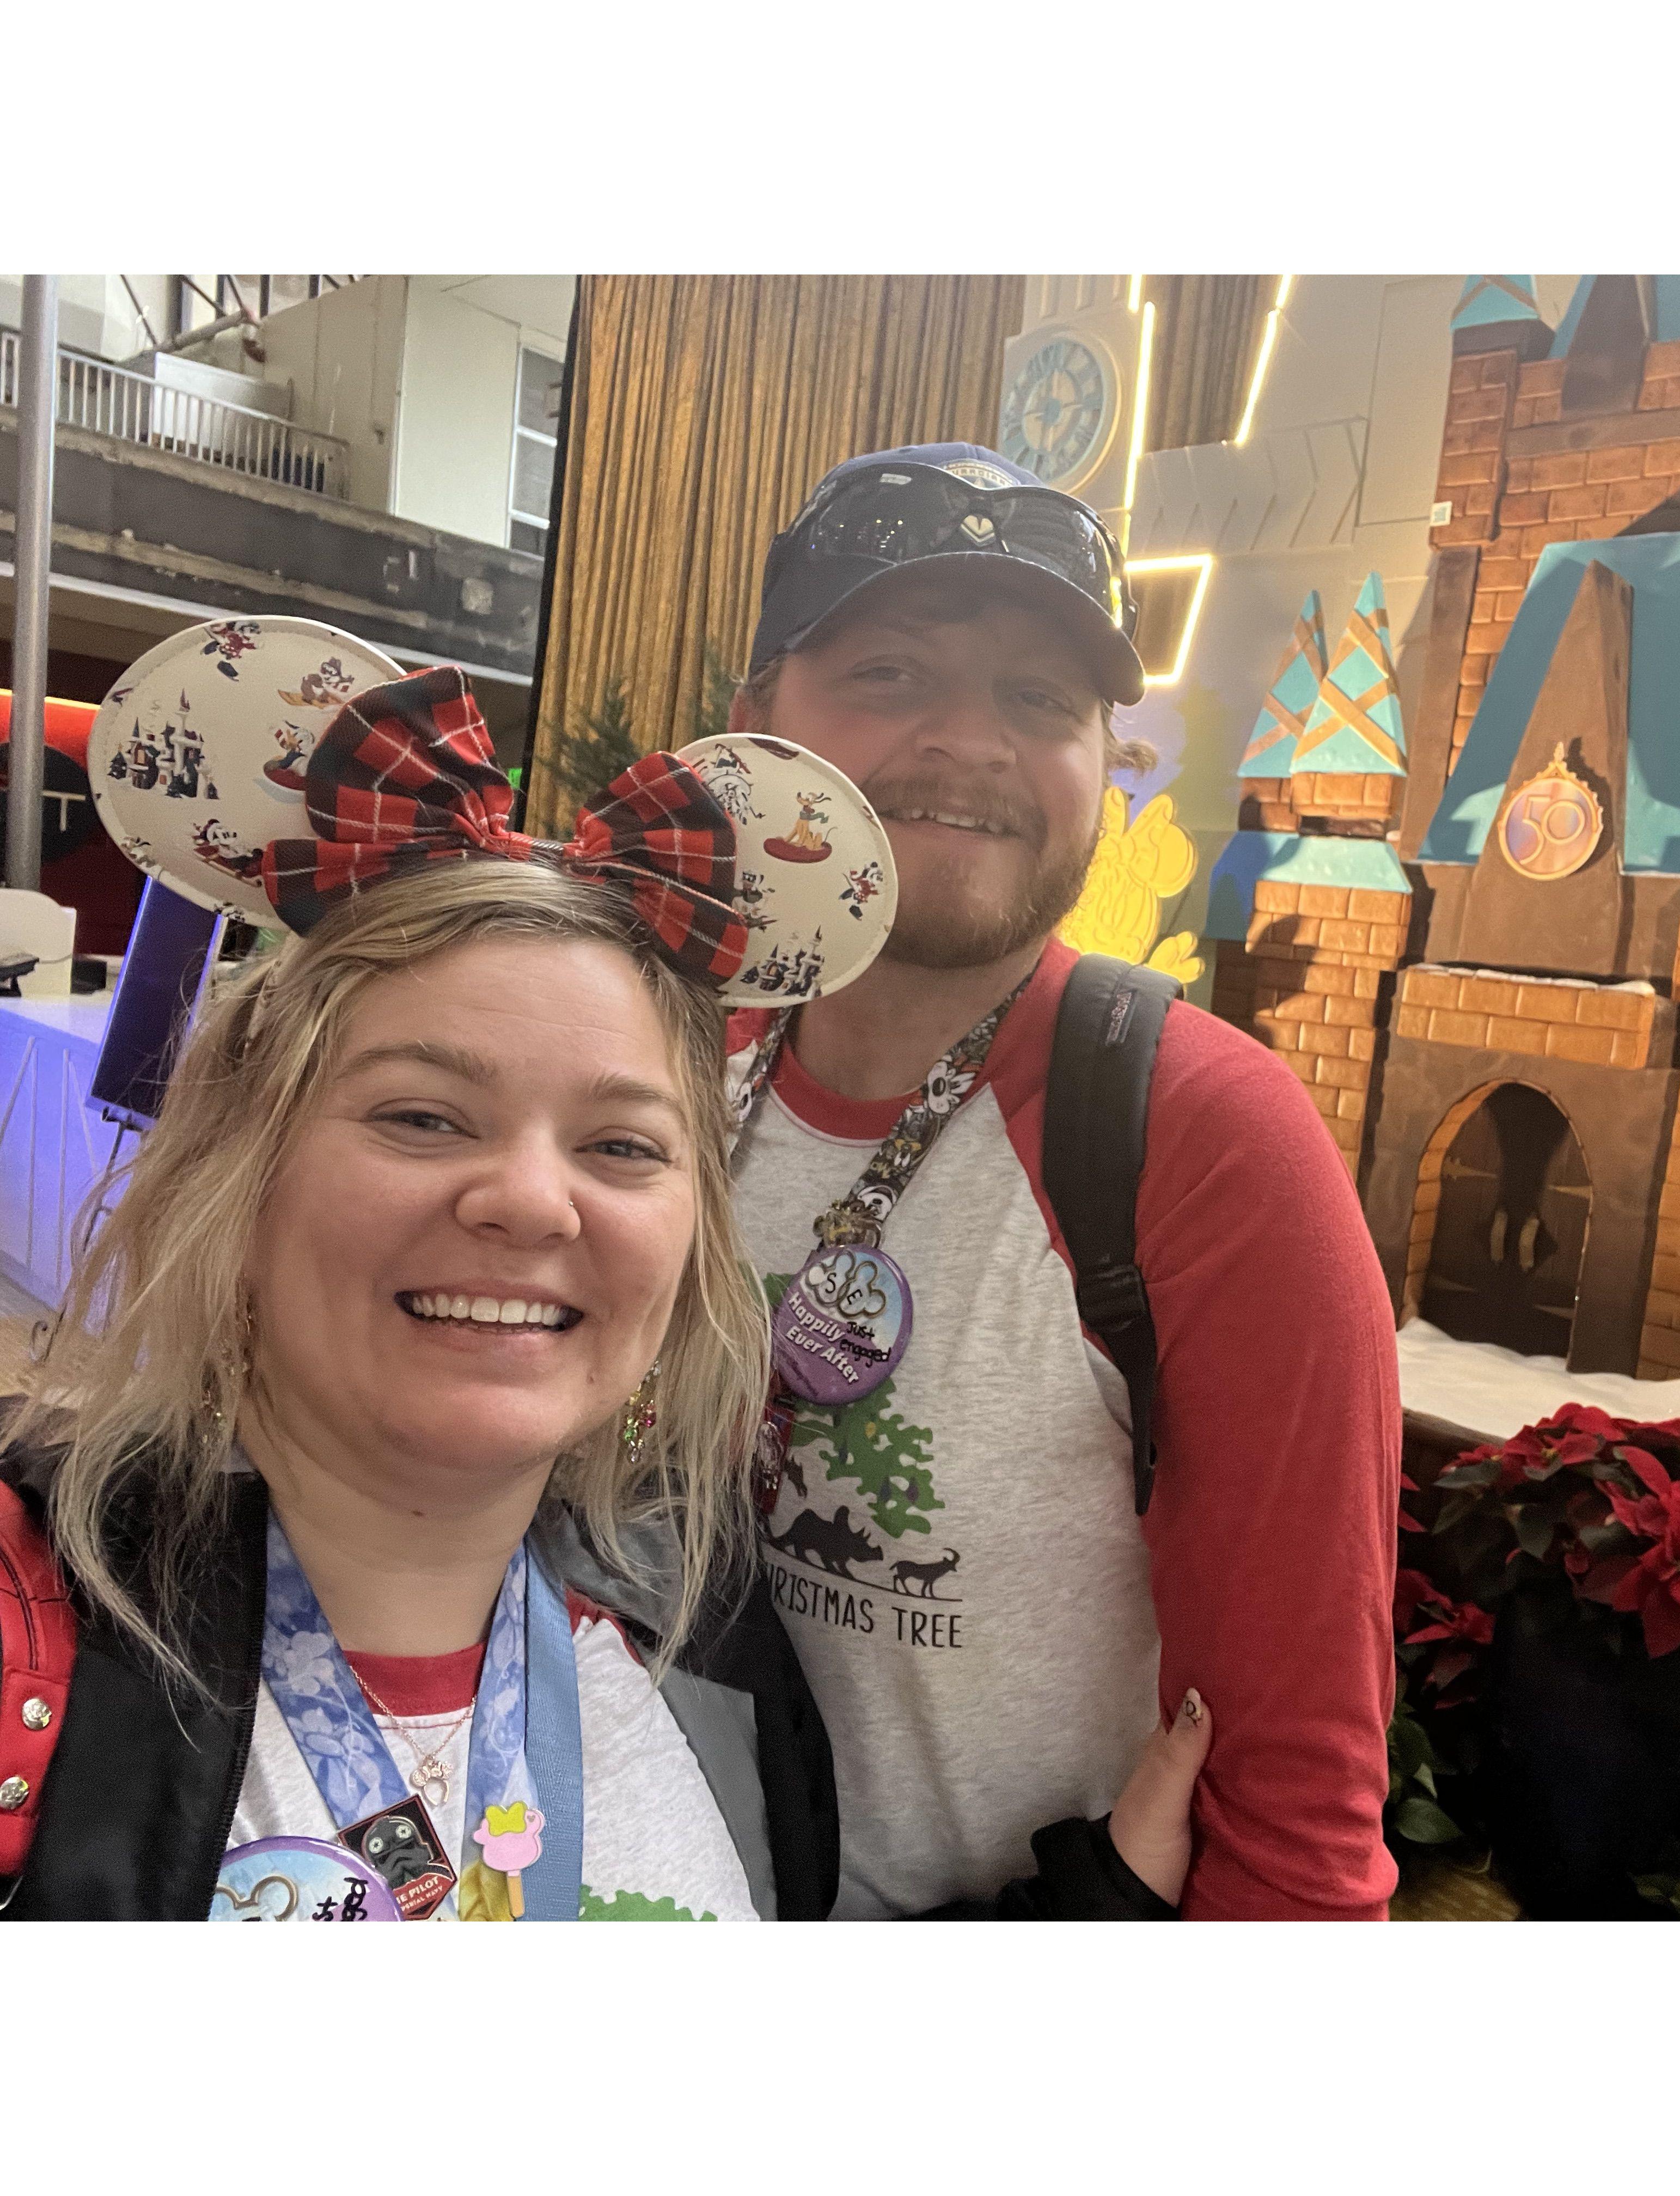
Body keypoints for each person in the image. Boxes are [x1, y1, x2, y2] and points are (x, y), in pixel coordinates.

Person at [0, 662, 1207, 1921]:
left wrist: (1099, 1912)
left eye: (622, 1145)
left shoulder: (706, 1637)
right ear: (242, 1167)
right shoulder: (32, 1642)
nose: (533, 1200)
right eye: (423, 1117)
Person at [720, 445, 1402, 1920]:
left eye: (1040, 699)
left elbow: (1300, 1815)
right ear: (757, 717)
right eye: (891, 671)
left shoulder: (1203, 1143)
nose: (972, 742)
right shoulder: (650, 1069)